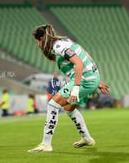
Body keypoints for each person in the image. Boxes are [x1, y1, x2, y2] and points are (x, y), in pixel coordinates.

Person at [28, 24, 110, 152]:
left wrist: (76, 88)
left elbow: (79, 63)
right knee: (68, 107)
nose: (38, 45)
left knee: (53, 104)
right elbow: (83, 57)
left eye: (37, 41)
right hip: (90, 77)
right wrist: (96, 81)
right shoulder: (64, 42)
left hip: (84, 80)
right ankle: (87, 138)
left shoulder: (58, 46)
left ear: (41, 39)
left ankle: (46, 144)